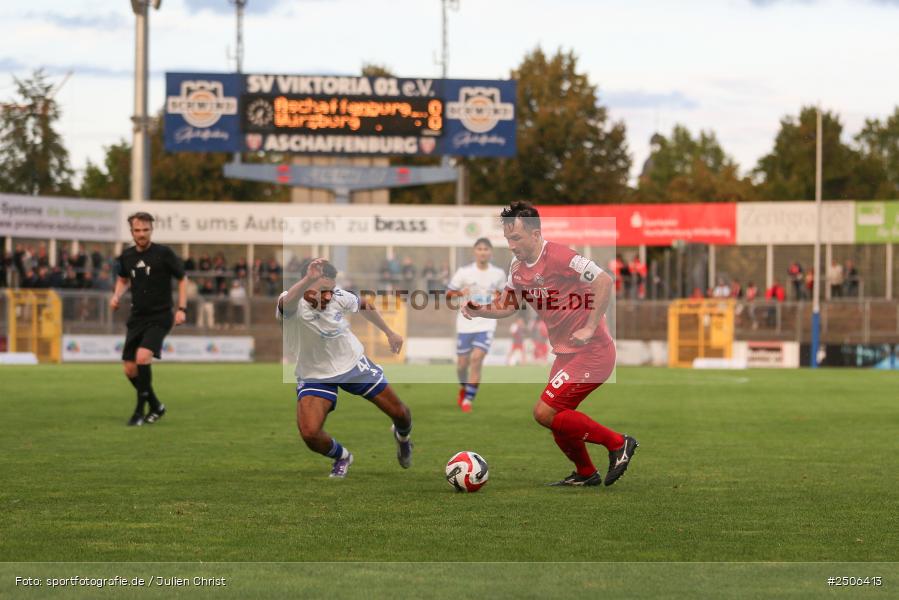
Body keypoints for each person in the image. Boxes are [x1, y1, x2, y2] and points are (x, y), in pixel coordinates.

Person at [463, 202, 638, 488]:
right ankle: (585, 472)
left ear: (535, 234)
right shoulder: (517, 267)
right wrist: (480, 309)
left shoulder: (560, 256)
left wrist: (590, 325)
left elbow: (604, 281)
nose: (511, 245)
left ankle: (619, 444)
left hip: (593, 351)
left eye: (516, 238)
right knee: (555, 415)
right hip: (566, 354)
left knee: (545, 412)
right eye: (508, 239)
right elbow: (509, 305)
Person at [277, 258, 413, 478]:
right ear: (305, 284)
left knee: (401, 413)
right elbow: (288, 301)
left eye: (330, 290)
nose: (328, 296)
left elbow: (364, 305)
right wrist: (308, 280)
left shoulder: (339, 297)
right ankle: (342, 457)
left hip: (353, 364)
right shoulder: (291, 302)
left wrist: (389, 332)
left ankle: (403, 438)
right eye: (322, 290)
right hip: (314, 375)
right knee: (310, 433)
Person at [110, 212, 187, 427]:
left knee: (143, 357)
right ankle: (156, 405)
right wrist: (116, 295)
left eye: (145, 230)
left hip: (160, 315)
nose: (142, 234)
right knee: (130, 369)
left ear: (151, 230)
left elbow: (182, 279)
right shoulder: (126, 256)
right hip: (137, 317)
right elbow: (123, 278)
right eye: (137, 230)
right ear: (132, 232)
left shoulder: (164, 253)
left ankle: (138, 412)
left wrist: (181, 308)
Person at [445, 238, 507, 412]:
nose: (483, 252)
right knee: (462, 365)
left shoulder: (499, 274)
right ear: (474, 251)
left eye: (486, 249)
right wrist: (459, 292)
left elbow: (506, 297)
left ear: (491, 252)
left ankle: (468, 401)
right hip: (465, 323)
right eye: (479, 249)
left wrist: (499, 297)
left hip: (487, 323)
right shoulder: (464, 272)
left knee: (476, 359)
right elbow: (448, 294)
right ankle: (464, 388)